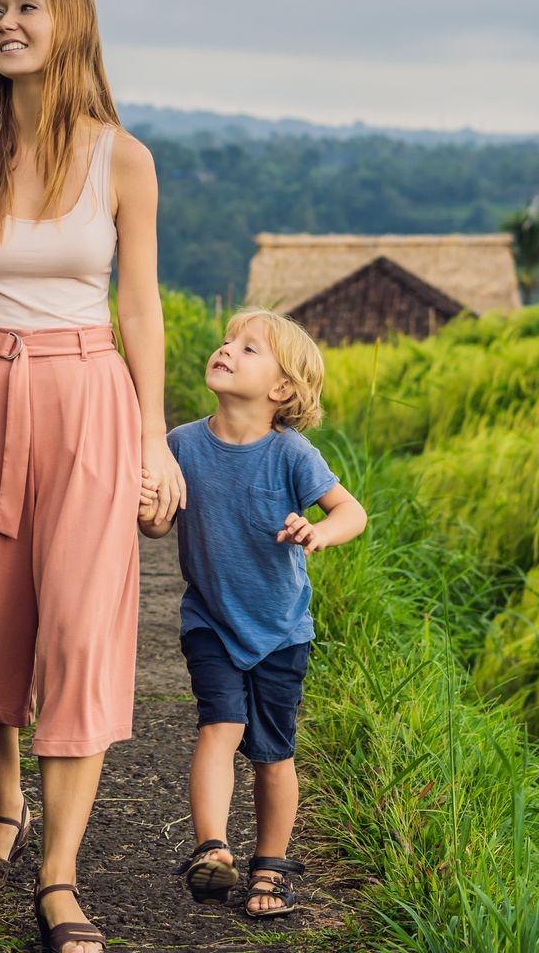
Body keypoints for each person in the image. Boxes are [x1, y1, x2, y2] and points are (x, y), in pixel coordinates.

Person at [0, 0, 186, 953]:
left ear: (68, 25)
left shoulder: (125, 159)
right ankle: (4, 801)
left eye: (25, 7)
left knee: (78, 630)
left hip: (87, 397)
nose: (5, 22)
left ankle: (59, 877)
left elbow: (139, 306)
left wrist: (155, 437)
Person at [138, 308, 367, 920]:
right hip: (209, 619)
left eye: (248, 348)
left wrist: (319, 531)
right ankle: (213, 848)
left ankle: (272, 862)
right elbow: (158, 523)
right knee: (219, 725)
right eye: (226, 341)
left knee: (272, 752)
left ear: (281, 389)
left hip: (280, 630)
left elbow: (352, 512)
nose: (227, 349)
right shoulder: (180, 444)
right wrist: (151, 510)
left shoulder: (291, 453)